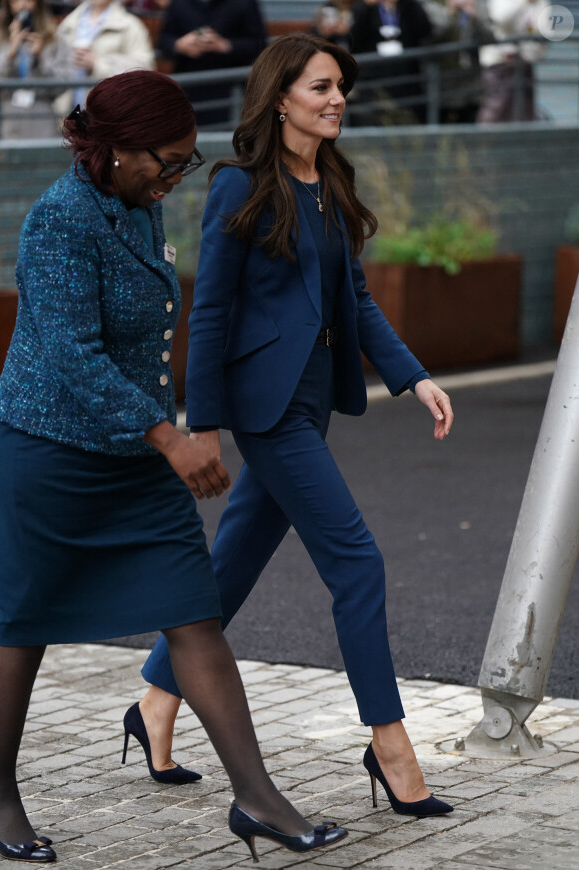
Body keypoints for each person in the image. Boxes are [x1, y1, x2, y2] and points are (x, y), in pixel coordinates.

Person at [0, 69, 348, 865]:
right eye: (169, 161)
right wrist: (171, 436)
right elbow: (70, 357)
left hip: (134, 460)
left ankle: (256, 798)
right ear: (116, 151)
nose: (176, 177)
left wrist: (166, 434)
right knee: (19, 626)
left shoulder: (135, 204)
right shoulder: (60, 221)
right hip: (50, 454)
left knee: (194, 614)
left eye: (187, 162)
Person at [139, 33, 455, 822]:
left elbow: (357, 301)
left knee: (236, 559)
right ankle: (389, 744)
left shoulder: (331, 184)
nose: (336, 97)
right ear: (281, 98)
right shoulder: (241, 185)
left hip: (313, 398)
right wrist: (200, 423)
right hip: (266, 408)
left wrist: (413, 376)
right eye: (320, 87)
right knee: (358, 563)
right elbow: (208, 311)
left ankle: (152, 697)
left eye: (341, 86)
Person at [156, 0, 266, 127]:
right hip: (187, 87)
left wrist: (226, 46)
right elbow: (163, 41)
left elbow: (259, 45)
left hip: (229, 89)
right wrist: (179, 45)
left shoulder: (245, 3)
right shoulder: (179, 3)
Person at [56, 0, 155, 112]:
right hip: (65, 114)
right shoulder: (68, 23)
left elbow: (145, 71)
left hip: (109, 115)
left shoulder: (131, 26)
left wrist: (97, 64)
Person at [349, 0, 433, 124]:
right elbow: (354, 39)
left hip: (407, 77)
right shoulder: (365, 8)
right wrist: (366, 7)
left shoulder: (409, 6)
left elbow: (425, 31)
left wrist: (409, 5)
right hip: (373, 78)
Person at [0, 0, 73, 138]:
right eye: (15, 1)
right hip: (8, 119)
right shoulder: (2, 39)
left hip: (43, 117)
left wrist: (42, 58)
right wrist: (10, 53)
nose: (22, 5)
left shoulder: (56, 39)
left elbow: (64, 84)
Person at [477, 0, 547, 122]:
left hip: (524, 63)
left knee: (524, 113)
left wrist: (532, 54)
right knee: (495, 110)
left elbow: (545, 30)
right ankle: (484, 140)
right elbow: (501, 18)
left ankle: (522, 140)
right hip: (499, 63)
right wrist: (524, 3)